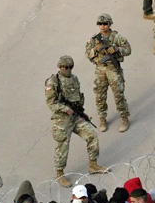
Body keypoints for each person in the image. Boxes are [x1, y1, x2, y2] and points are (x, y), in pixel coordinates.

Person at [45, 55, 108, 187]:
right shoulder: (53, 82)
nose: (67, 69)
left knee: (91, 135)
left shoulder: (74, 79)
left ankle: (93, 165)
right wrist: (65, 109)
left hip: (75, 116)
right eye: (65, 67)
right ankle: (60, 174)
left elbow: (77, 98)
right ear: (59, 67)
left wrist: (82, 112)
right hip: (62, 120)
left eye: (70, 67)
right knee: (62, 147)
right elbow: (51, 103)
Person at [85, 13, 132, 133]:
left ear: (110, 24)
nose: (103, 26)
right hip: (100, 69)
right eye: (100, 24)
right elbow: (87, 53)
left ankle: (124, 118)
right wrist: (95, 50)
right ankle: (102, 119)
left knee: (118, 95)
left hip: (113, 69)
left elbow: (128, 50)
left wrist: (117, 49)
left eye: (105, 23)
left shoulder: (117, 37)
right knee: (100, 95)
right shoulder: (95, 39)